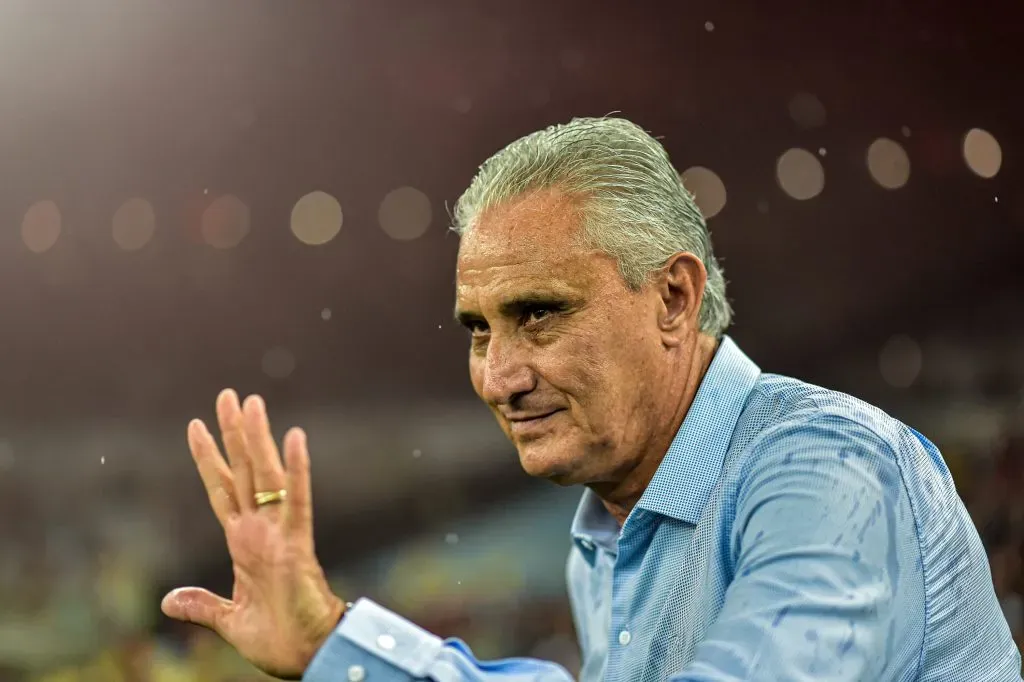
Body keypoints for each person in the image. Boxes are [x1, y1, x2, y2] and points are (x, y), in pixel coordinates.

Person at [161, 117, 1023, 681]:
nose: (498, 376)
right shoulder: (605, 539)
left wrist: (346, 649)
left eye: (538, 314)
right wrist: (329, 640)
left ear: (674, 298)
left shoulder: (830, 471)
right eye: (479, 329)